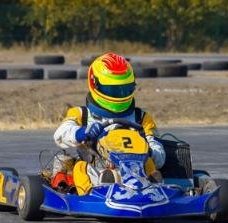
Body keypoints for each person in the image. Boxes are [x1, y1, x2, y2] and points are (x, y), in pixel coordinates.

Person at [53, 52, 166, 195]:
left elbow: (160, 155)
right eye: (112, 89)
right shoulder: (82, 114)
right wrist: (83, 132)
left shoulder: (141, 118)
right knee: (80, 167)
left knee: (149, 162)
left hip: (137, 171)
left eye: (124, 88)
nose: (119, 93)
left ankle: (155, 189)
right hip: (97, 169)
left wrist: (149, 150)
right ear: (95, 84)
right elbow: (60, 135)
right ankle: (91, 195)